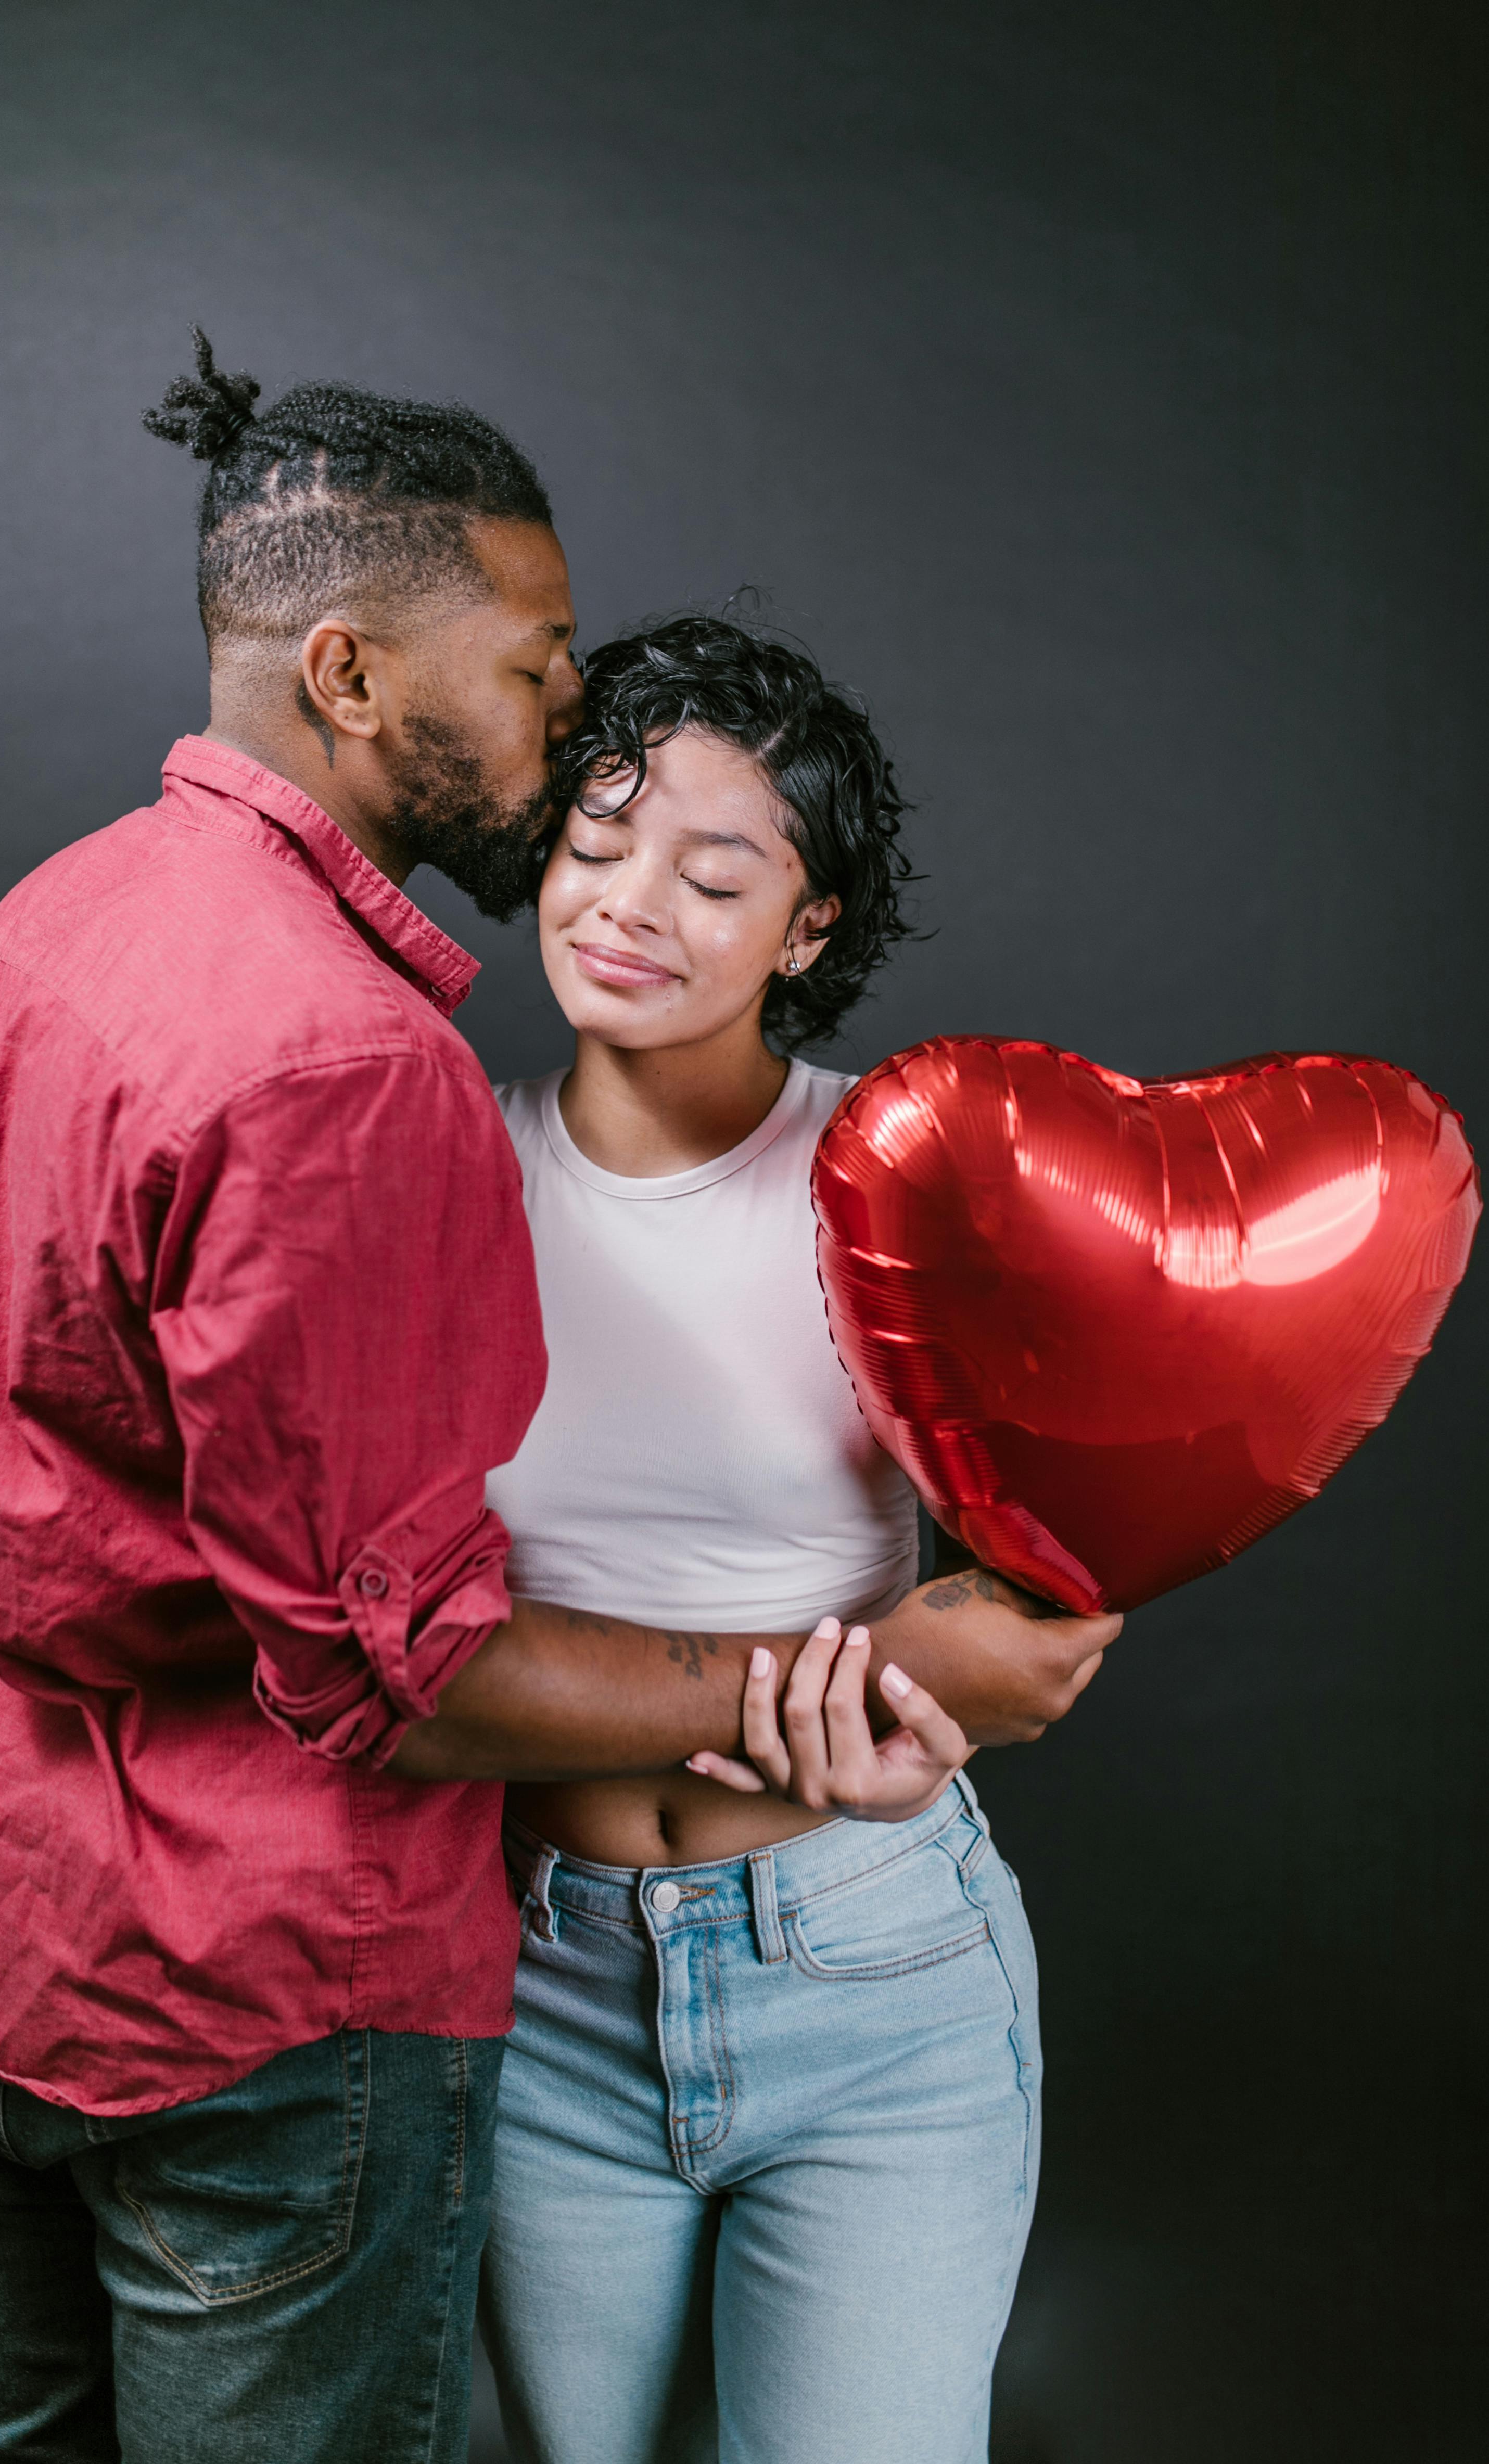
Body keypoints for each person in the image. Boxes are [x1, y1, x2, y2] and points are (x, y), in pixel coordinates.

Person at [0, 334, 1116, 2464]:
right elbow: (388, 1666)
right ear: (351, 675)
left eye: (714, 870)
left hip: (28, 1928)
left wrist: (969, 1647)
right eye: (542, 690)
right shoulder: (374, 1081)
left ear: (809, 922)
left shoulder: (48, 927)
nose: (560, 764)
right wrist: (845, 1663)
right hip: (350, 1963)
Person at [477, 616, 1078, 2464]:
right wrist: (882, 1664)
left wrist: (947, 1688)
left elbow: (1046, 1617)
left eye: (714, 873)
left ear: (808, 929)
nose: (629, 903)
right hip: (533, 1989)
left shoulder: (893, 1180)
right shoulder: (440, 1171)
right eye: (596, 842)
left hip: (869, 1969)